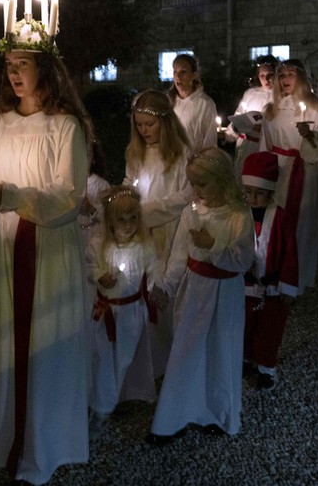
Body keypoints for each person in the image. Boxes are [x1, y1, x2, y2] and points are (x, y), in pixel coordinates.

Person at [0, 0, 91, 486]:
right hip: (9, 247)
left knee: (46, 347)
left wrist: (10, 194)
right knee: (13, 347)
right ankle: (13, 438)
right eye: (9, 65)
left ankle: (43, 449)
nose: (14, 74)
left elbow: (68, 198)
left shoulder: (65, 128)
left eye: (24, 65)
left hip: (49, 250)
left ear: (46, 71)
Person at [146, 148, 255, 445]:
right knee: (186, 349)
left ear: (222, 181)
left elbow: (243, 259)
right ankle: (173, 418)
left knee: (220, 350)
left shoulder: (238, 215)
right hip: (194, 290)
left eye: (202, 184)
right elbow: (179, 255)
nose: (196, 191)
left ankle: (216, 413)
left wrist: (213, 244)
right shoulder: (190, 213)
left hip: (224, 293)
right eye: (193, 183)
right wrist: (167, 285)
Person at [124, 89, 192, 376]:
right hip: (140, 229)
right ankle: (141, 364)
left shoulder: (181, 155)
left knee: (162, 293)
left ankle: (165, 364)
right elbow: (130, 181)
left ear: (165, 122)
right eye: (138, 125)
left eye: (149, 125)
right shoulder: (136, 152)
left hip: (168, 230)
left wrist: (148, 211)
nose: (144, 131)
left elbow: (185, 196)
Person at [87, 186, 159, 439]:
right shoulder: (99, 244)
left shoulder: (143, 245)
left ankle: (108, 401)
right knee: (102, 358)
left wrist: (156, 289)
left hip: (130, 314)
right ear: (109, 220)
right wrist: (99, 276)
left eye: (133, 218)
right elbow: (89, 266)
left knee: (122, 360)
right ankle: (100, 408)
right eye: (121, 219)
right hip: (104, 313)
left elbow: (154, 272)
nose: (128, 225)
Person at [259, 59, 318, 291]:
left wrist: (310, 136)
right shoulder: (271, 110)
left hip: (304, 171)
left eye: (290, 74)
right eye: (281, 75)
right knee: (277, 222)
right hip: (279, 172)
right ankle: (274, 274)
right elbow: (265, 145)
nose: (285, 80)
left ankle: (297, 279)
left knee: (303, 224)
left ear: (300, 77)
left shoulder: (316, 107)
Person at [240, 152, 299, 390]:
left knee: (269, 330)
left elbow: (290, 253)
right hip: (245, 285)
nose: (253, 198)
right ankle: (244, 359)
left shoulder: (281, 217)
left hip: (272, 287)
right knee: (244, 325)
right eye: (249, 192)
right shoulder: (239, 214)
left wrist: (287, 284)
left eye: (260, 193)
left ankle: (266, 367)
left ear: (271, 191)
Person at [225, 55, 277, 176]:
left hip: (266, 149)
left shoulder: (281, 96)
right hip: (245, 146)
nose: (266, 79)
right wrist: (231, 132)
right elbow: (239, 114)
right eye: (262, 75)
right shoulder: (250, 93)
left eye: (270, 75)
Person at [168, 53, 218, 152]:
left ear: (194, 75)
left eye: (183, 72)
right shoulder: (168, 102)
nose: (178, 76)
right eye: (175, 72)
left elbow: (210, 141)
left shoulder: (205, 104)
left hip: (194, 164)